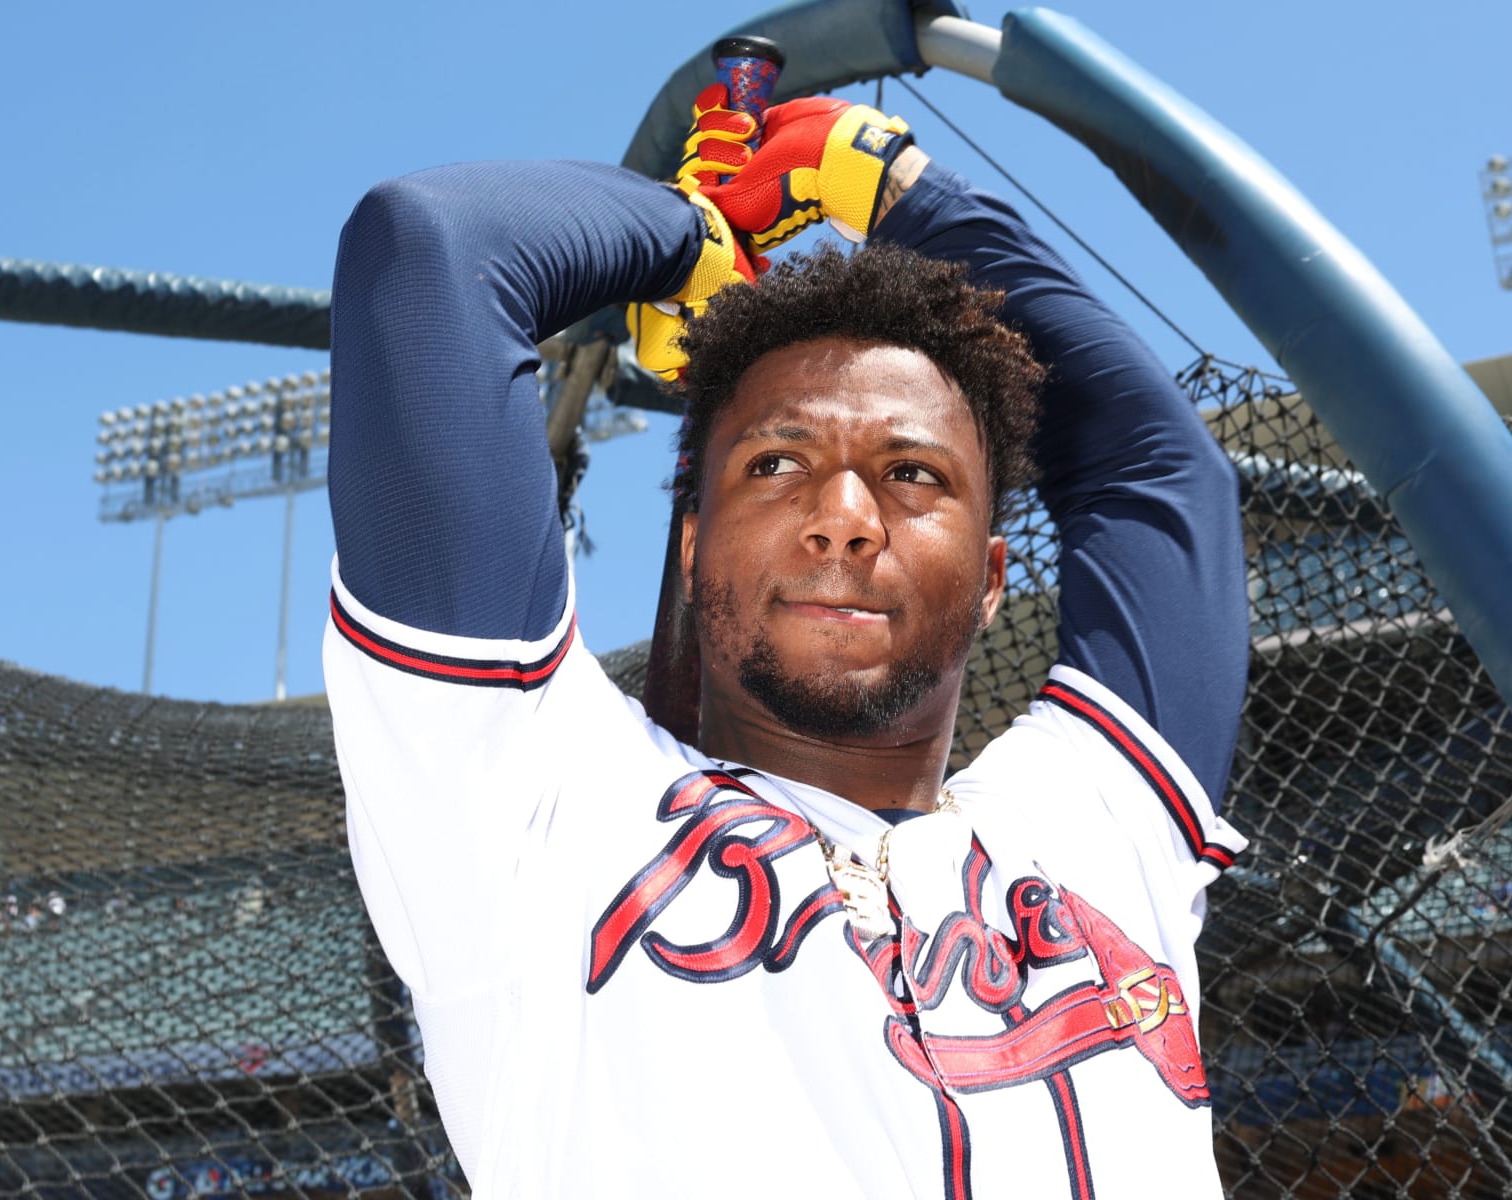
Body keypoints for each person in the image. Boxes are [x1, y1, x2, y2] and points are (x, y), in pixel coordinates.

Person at [324, 91, 1248, 1198]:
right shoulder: (535, 808)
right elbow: (431, 257)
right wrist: (683, 242)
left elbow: (1159, 471)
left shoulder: (1100, 825)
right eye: (775, 463)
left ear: (997, 577)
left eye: (914, 475)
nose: (845, 514)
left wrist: (889, 188)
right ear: (694, 551)